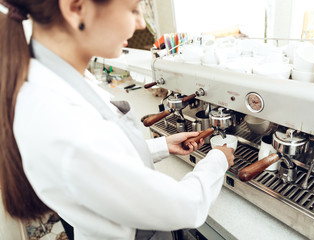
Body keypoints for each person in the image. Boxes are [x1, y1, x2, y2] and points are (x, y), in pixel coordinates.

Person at [0, 0, 235, 239]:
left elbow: (104, 160)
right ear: (76, 8)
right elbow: (185, 206)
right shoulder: (59, 119)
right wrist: (218, 160)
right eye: (133, 8)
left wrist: (162, 145)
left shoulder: (62, 79)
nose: (141, 23)